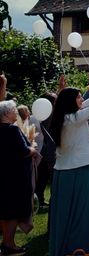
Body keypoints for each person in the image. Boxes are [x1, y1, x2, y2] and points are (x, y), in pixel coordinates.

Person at [48, 83, 89, 256]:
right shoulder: (72, 118)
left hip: (72, 170)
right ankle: (77, 248)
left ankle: (74, 247)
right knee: (80, 212)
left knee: (72, 212)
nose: (82, 98)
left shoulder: (66, 117)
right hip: (79, 171)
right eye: (78, 97)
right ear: (70, 101)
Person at [0, 99, 39, 255]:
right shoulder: (12, 130)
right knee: (13, 211)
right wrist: (33, 148)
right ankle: (9, 244)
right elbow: (24, 151)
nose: (16, 112)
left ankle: (7, 243)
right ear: (7, 113)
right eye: (14, 109)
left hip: (3, 174)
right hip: (15, 176)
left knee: (5, 209)